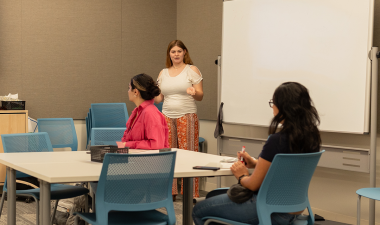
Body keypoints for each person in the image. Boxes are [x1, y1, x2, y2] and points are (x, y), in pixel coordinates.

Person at [192, 82, 321, 225]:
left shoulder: (276, 140)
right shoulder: (312, 138)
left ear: (284, 107)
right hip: (294, 210)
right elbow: (284, 169)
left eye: (274, 102)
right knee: (213, 196)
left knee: (198, 210)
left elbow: (253, 185)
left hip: (267, 210)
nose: (272, 106)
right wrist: (255, 163)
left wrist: (242, 175)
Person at [155, 40, 204, 200]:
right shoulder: (163, 73)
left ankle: (191, 193)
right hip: (166, 116)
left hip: (187, 115)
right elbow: (159, 98)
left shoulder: (192, 70)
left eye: (179, 51)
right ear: (169, 54)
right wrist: (148, 93)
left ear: (184, 52)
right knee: (168, 154)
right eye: (173, 51)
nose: (176, 54)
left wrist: (193, 92)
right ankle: (171, 192)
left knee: (189, 153)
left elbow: (200, 95)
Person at [121, 73, 169, 149]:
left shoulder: (150, 113)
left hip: (148, 159)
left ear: (136, 92)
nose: (128, 91)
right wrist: (120, 146)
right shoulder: (136, 111)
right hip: (135, 157)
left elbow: (156, 145)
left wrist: (127, 145)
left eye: (129, 88)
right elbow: (126, 139)